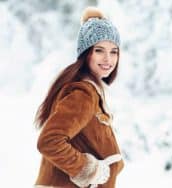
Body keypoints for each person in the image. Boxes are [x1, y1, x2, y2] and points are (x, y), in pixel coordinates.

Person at [34, 6, 124, 188]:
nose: (108, 59)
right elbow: (50, 141)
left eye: (113, 51)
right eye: (99, 50)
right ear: (86, 53)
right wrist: (87, 169)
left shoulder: (91, 91)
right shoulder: (82, 94)